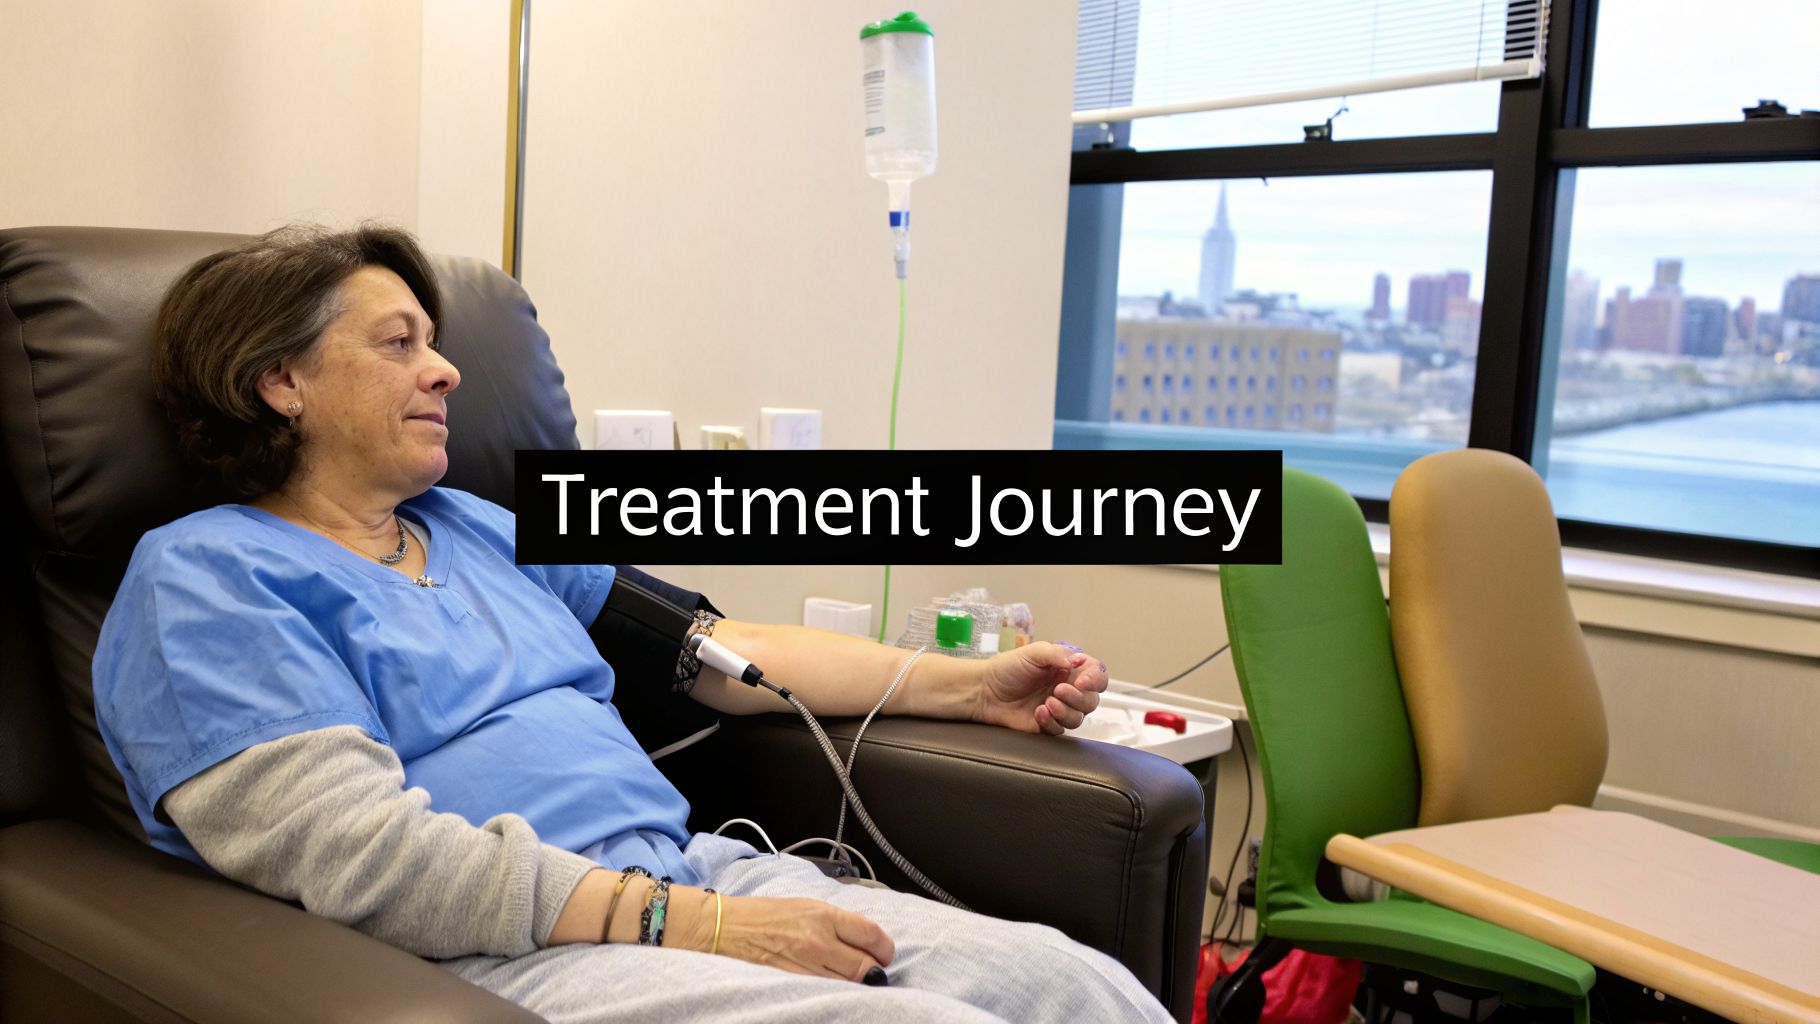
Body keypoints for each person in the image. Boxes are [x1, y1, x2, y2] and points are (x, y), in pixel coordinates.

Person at [92, 225, 1173, 1023]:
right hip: (505, 945)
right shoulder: (206, 578)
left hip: (689, 871)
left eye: (436, 340)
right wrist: (688, 926)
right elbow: (365, 858)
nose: (446, 369)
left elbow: (711, 646)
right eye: (397, 343)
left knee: (1073, 986)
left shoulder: (475, 525)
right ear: (279, 379)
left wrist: (958, 686)